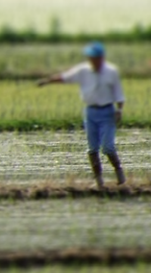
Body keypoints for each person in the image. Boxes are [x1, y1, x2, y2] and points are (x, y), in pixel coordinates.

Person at [35, 41, 125, 188]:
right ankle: (99, 181)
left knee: (107, 147)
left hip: (107, 111)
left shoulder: (111, 72)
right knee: (92, 148)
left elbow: (119, 93)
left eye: (96, 57)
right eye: (91, 57)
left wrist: (119, 110)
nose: (94, 61)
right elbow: (64, 77)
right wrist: (47, 81)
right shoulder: (82, 71)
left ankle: (119, 172)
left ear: (102, 58)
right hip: (90, 112)